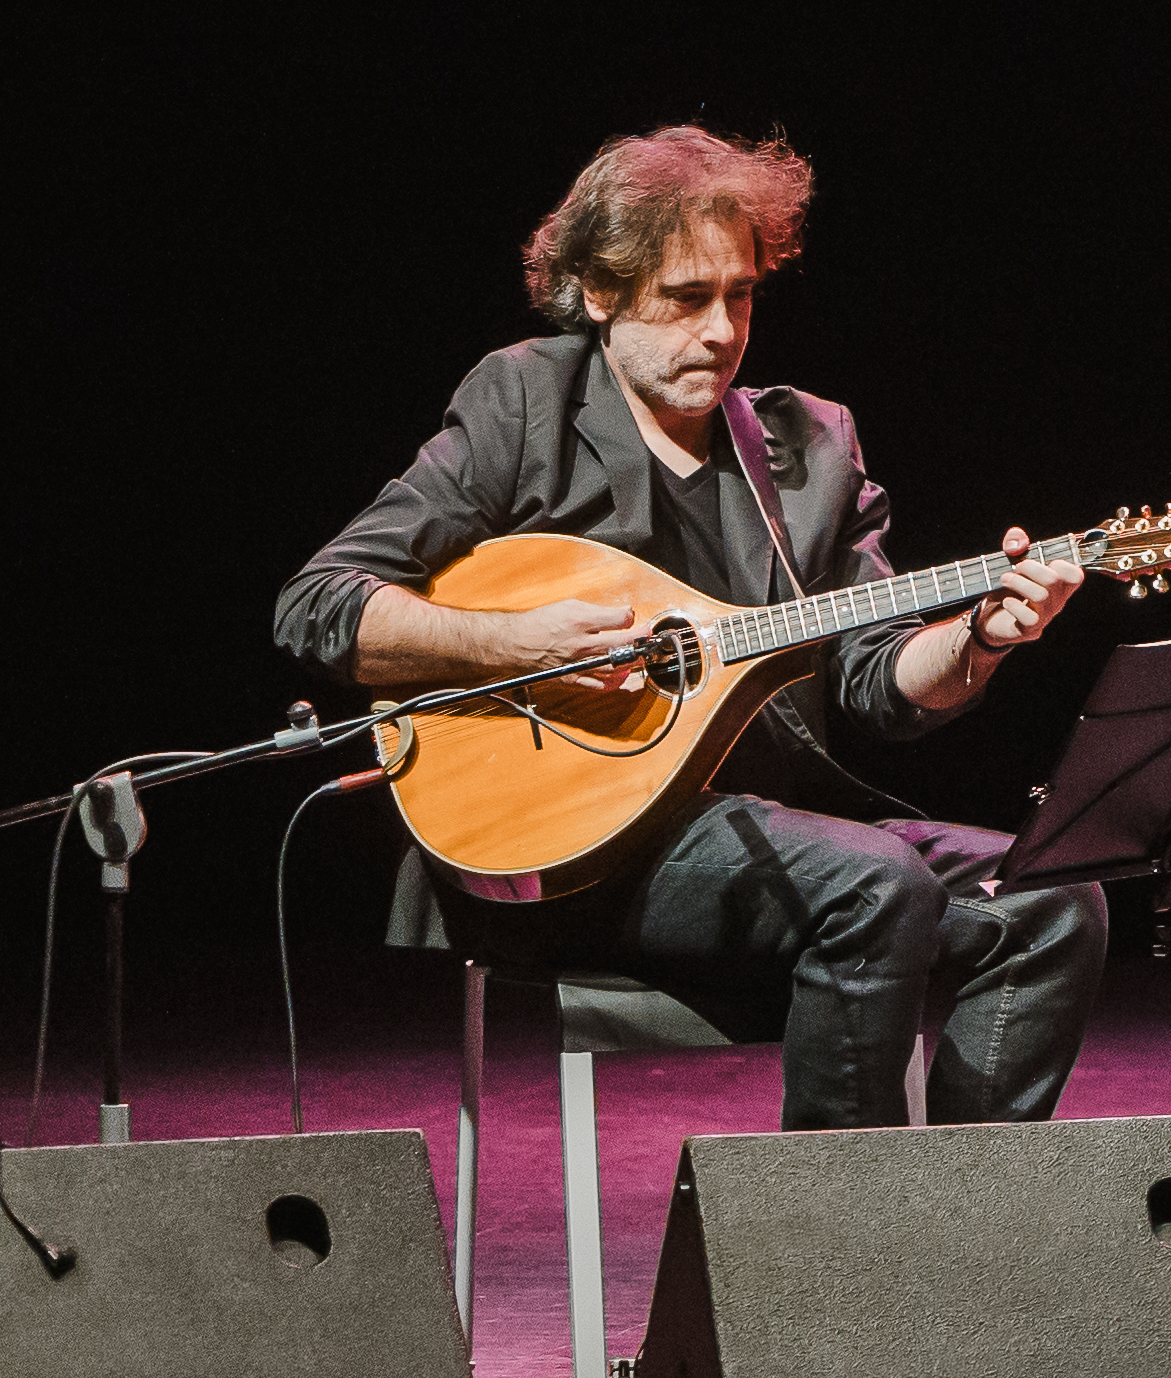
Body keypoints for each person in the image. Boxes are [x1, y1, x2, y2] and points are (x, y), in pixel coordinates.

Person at [274, 126, 1105, 1129]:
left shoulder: (809, 447)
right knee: (874, 883)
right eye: (684, 297)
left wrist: (980, 639)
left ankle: (962, 1226)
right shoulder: (528, 404)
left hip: (776, 835)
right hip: (575, 844)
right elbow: (320, 602)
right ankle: (830, 1254)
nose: (719, 331)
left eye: (740, 295)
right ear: (599, 293)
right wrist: (522, 645)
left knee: (1055, 901)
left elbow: (874, 685)